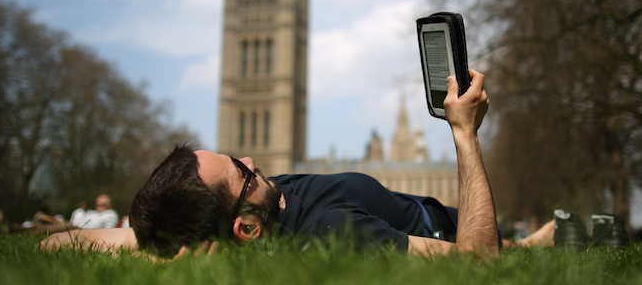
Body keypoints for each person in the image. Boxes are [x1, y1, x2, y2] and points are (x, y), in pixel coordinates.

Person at [41, 71, 553, 258]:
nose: (250, 159)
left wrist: (156, 241)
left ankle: (531, 241)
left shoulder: (218, 222)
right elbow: (476, 263)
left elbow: (58, 244)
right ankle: (529, 244)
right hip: (448, 226)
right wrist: (464, 132)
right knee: (521, 244)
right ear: (246, 226)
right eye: (241, 172)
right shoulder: (333, 233)